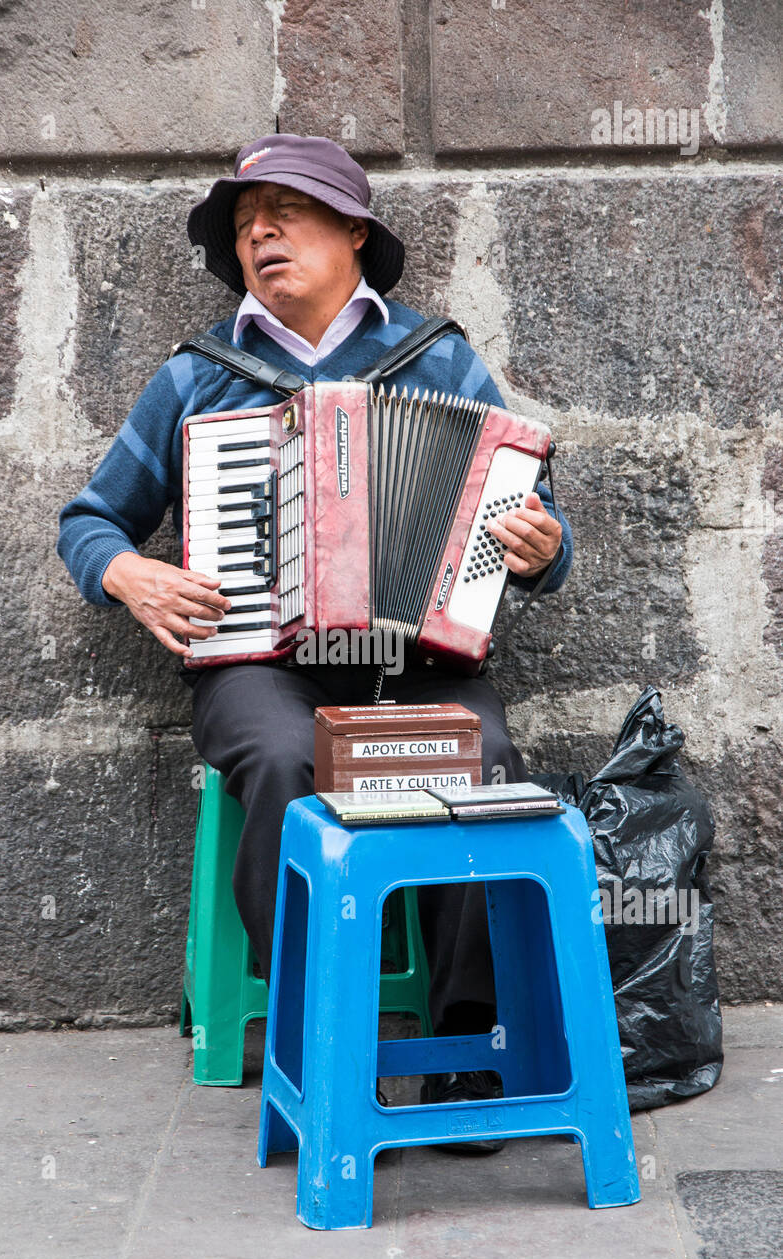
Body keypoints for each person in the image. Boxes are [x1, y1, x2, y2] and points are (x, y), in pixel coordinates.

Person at [58, 135, 573, 1148]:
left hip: (417, 660)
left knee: (488, 757)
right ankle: (310, 1034)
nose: (257, 232)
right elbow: (89, 520)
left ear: (352, 233)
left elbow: (538, 531)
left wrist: (538, 546)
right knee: (289, 756)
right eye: (244, 222)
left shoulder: (436, 358)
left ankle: (467, 1044)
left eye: (284, 211)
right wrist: (126, 572)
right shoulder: (198, 375)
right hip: (259, 667)